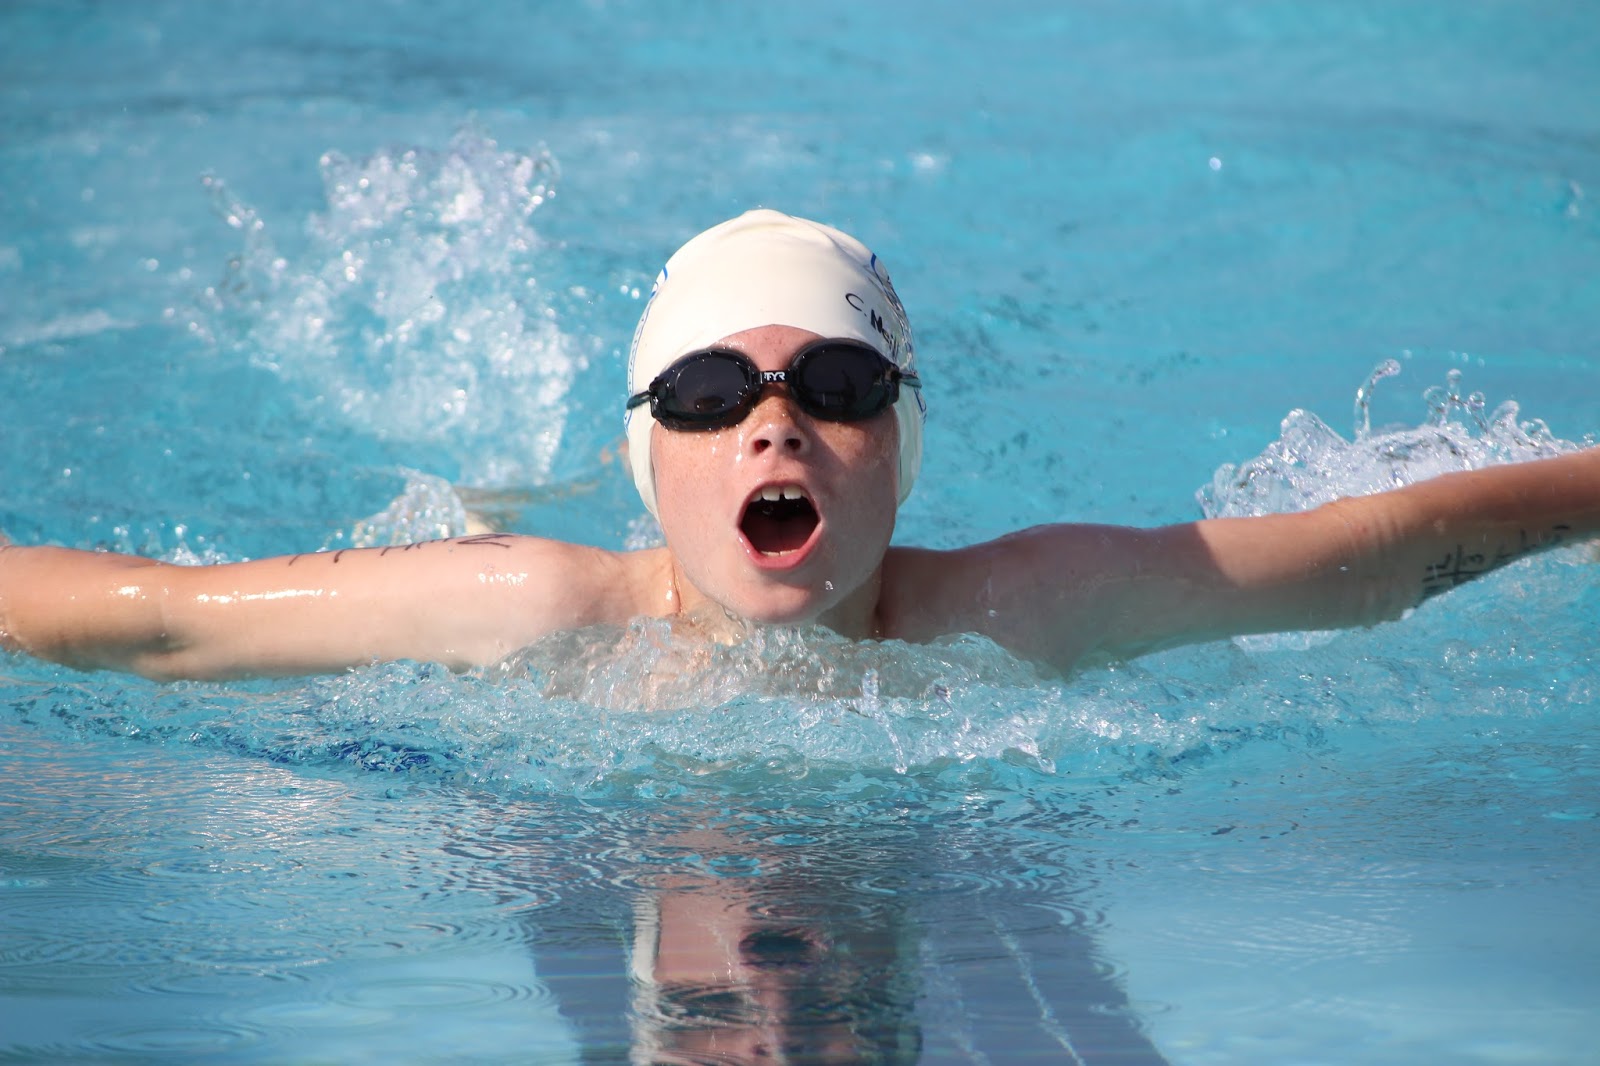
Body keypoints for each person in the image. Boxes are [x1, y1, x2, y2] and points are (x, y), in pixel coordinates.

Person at [1, 209, 1597, 682]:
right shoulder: (536, 610)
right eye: (707, 395)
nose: (773, 416)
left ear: (901, 451)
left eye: (832, 381)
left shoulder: (1009, 610)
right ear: (651, 463)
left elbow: (1367, 562)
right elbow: (161, 618)